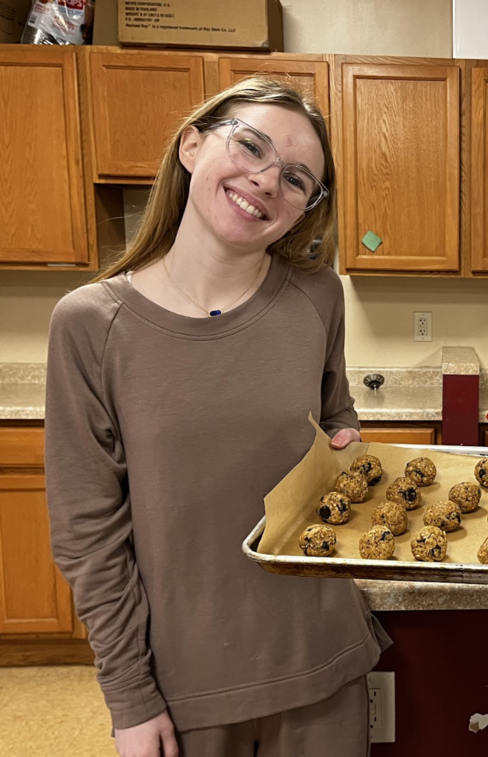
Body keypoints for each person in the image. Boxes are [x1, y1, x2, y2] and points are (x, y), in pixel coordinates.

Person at [44, 78, 389, 757]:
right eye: (250, 145)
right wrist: (130, 697)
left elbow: (333, 416)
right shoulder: (91, 324)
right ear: (193, 144)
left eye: (296, 179)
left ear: (302, 212)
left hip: (323, 658)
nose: (265, 180)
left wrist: (347, 450)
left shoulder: (320, 297)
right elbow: (88, 537)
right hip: (188, 683)